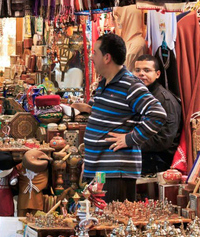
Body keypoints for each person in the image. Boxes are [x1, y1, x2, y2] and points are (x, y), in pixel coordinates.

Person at [71, 33, 166, 203]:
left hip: (116, 172)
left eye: (95, 53)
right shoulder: (104, 83)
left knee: (112, 223)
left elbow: (157, 114)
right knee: (100, 222)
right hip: (100, 169)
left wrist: (130, 138)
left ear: (107, 57)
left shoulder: (130, 85)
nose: (92, 57)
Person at [133, 55, 182, 175]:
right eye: (137, 70)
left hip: (158, 159)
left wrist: (131, 143)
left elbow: (164, 139)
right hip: (143, 153)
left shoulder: (165, 100)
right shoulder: (141, 95)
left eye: (147, 70)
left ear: (158, 74)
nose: (141, 74)